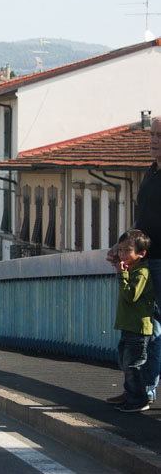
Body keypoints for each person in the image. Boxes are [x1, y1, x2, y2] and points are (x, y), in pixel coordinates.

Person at [107, 117, 161, 406]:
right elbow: (143, 220)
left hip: (159, 262)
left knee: (152, 332)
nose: (153, 140)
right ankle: (140, 391)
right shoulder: (151, 172)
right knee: (148, 331)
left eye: (160, 136)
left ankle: (142, 392)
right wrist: (121, 245)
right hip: (147, 261)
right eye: (152, 135)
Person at [104, 230, 156, 412]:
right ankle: (131, 395)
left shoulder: (141, 273)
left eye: (128, 251)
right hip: (128, 325)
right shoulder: (133, 269)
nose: (123, 254)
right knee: (125, 362)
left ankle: (139, 399)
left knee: (133, 364)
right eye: (121, 250)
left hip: (138, 327)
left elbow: (131, 296)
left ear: (141, 253)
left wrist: (121, 274)